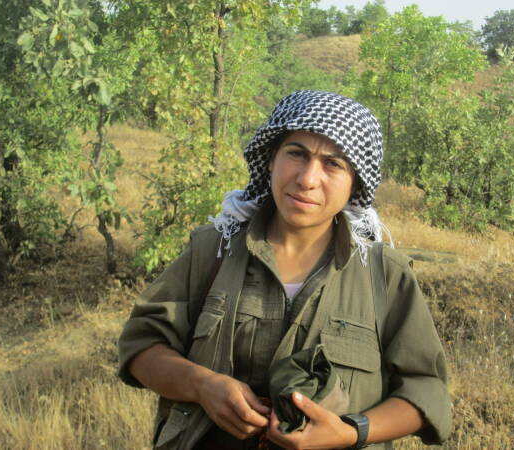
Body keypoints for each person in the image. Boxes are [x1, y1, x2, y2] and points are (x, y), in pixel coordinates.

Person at [118, 90, 451, 450]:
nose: (307, 179)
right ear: (271, 159)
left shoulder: (384, 274)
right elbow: (142, 346)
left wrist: (351, 432)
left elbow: (426, 389)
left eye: (333, 164)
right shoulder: (214, 249)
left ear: (355, 183)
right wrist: (202, 385)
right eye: (296, 154)